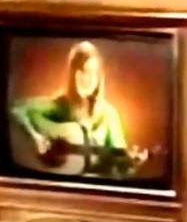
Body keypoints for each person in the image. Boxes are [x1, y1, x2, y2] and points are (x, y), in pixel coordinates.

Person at [10, 40, 147, 174]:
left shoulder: (109, 115)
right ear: (73, 74)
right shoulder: (60, 105)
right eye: (84, 72)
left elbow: (121, 166)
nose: (89, 80)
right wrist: (35, 137)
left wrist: (131, 163)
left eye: (94, 74)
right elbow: (17, 109)